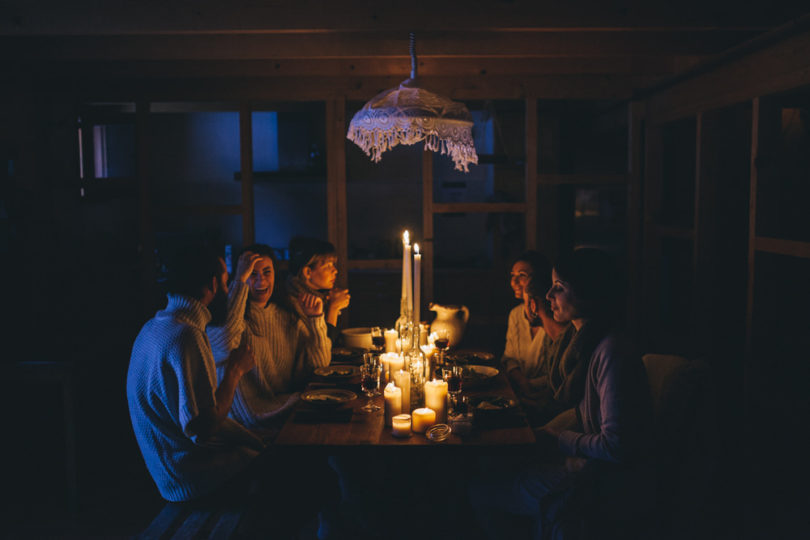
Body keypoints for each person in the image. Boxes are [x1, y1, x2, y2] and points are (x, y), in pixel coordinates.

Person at [469, 248, 652, 539]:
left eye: (559, 287)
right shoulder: (583, 344)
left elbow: (617, 445)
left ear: (588, 293)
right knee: (488, 469)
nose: (549, 295)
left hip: (602, 477)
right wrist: (539, 433)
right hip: (586, 463)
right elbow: (581, 414)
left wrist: (558, 439)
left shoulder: (611, 351)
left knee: (478, 492)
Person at [127, 246, 264, 502]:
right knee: (291, 472)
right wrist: (234, 371)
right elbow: (205, 428)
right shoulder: (186, 335)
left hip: (169, 475)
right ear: (212, 284)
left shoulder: (153, 327)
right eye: (226, 280)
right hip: (190, 479)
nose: (227, 287)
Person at [208, 243, 331, 431]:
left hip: (287, 406)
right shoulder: (230, 319)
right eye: (252, 275)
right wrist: (240, 280)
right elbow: (223, 343)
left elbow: (318, 369)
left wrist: (315, 321)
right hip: (252, 417)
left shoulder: (287, 312)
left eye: (267, 272)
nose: (261, 281)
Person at [515, 274, 576, 425]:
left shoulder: (570, 346)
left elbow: (564, 405)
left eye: (525, 302)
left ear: (533, 305)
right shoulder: (552, 341)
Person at [287, 236, 350, 344]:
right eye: (328, 266)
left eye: (333, 265)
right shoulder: (295, 303)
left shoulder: (320, 296)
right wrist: (333, 308)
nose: (335, 271)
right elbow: (324, 348)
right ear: (307, 272)